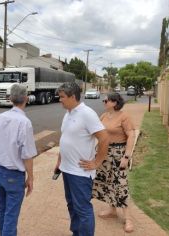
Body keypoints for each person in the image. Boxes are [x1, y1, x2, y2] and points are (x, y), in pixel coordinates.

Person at [55, 82, 109, 236]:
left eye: (62, 97)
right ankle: (76, 233)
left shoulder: (87, 113)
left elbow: (104, 138)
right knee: (72, 205)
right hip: (67, 169)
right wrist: (59, 160)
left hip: (80, 173)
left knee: (82, 209)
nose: (60, 100)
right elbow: (66, 138)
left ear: (73, 96)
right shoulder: (69, 113)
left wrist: (97, 162)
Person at [0, 84, 37, 236]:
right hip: (14, 175)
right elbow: (27, 154)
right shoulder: (24, 122)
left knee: (2, 209)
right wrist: (30, 177)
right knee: (11, 215)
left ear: (10, 98)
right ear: (26, 99)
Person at [92, 92, 136, 233]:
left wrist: (126, 157)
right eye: (104, 100)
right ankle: (112, 209)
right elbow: (96, 131)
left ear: (115, 103)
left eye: (106, 100)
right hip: (104, 152)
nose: (104, 102)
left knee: (120, 184)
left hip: (118, 153)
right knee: (107, 182)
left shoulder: (124, 116)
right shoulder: (104, 116)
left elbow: (131, 135)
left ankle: (128, 218)